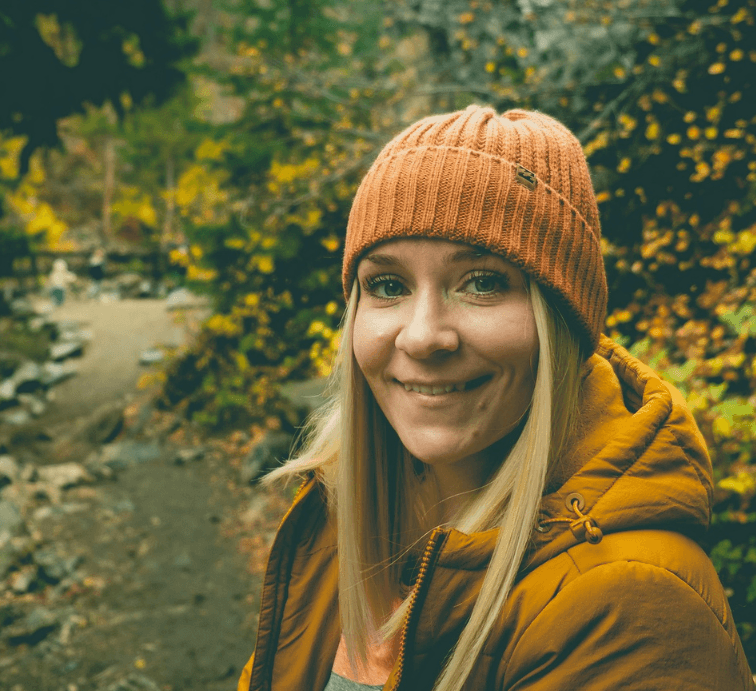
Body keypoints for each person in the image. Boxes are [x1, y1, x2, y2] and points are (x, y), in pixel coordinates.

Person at [238, 106, 755, 691]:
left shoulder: (629, 607)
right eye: (387, 285)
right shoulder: (341, 520)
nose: (424, 334)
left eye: (482, 282)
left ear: (560, 323)